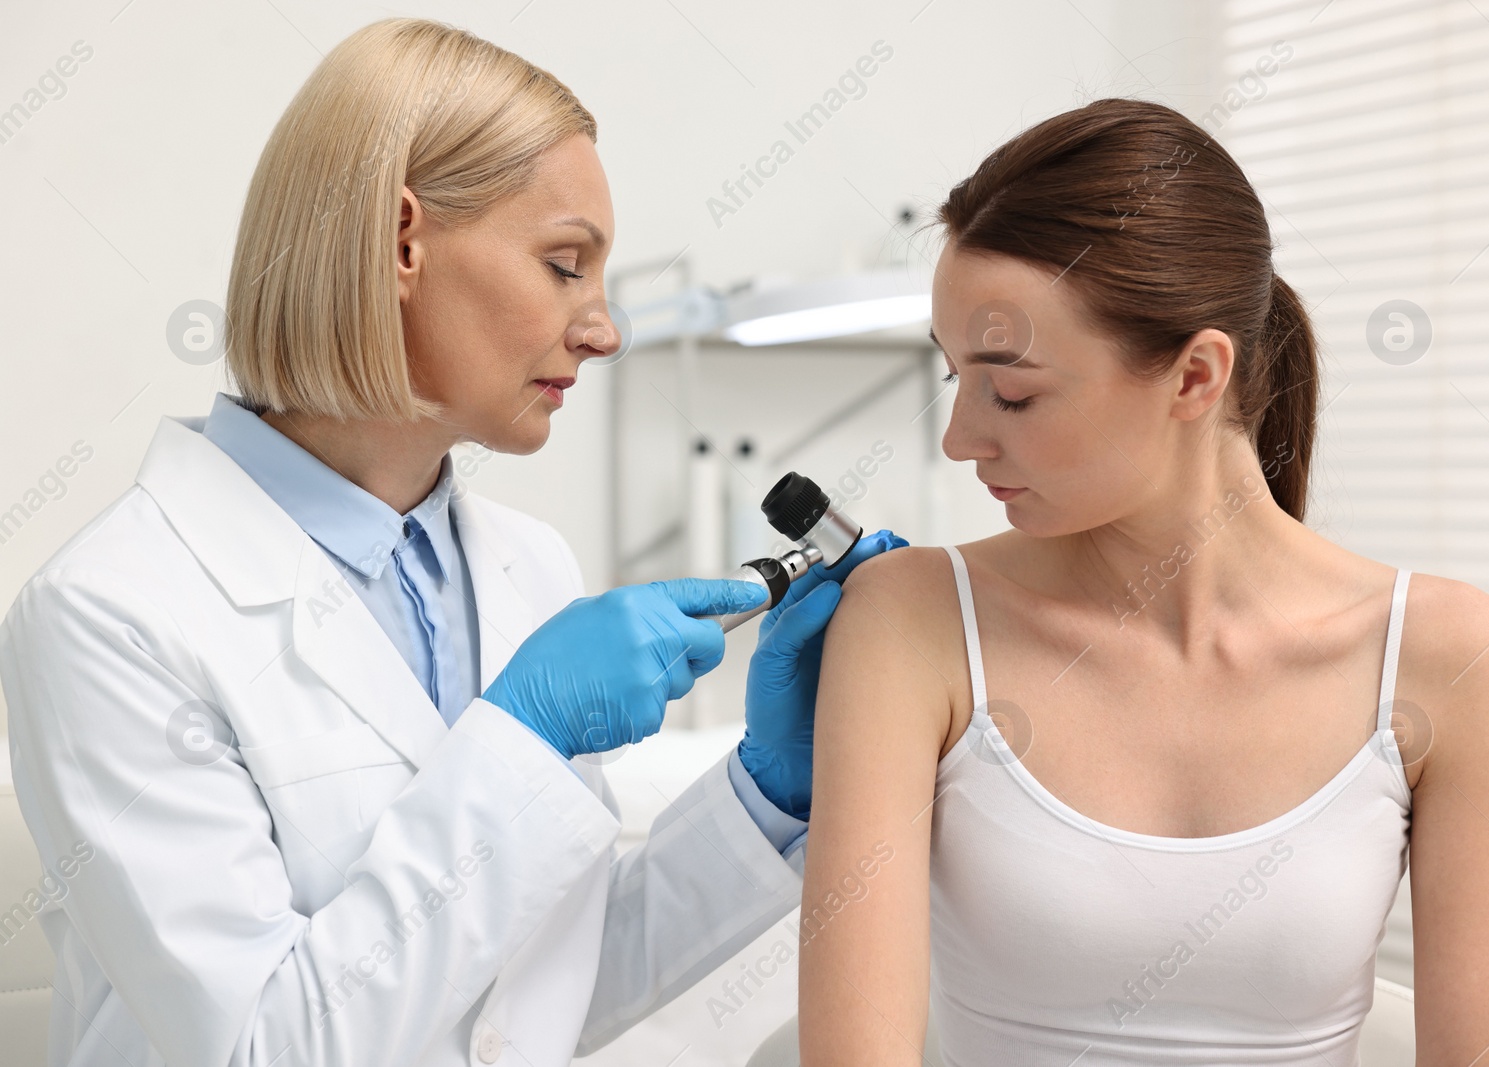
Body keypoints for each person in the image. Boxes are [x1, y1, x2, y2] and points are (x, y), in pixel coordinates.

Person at [0, 19, 903, 1067]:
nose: (604, 328)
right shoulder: (111, 610)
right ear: (399, 241)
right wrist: (521, 734)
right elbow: (260, 1047)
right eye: (565, 265)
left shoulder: (525, 564)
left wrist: (765, 791)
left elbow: (527, 997)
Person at [798, 98, 1489, 1066]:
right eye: (956, 379)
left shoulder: (1450, 657)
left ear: (1194, 378)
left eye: (1011, 390)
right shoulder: (912, 619)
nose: (959, 440)